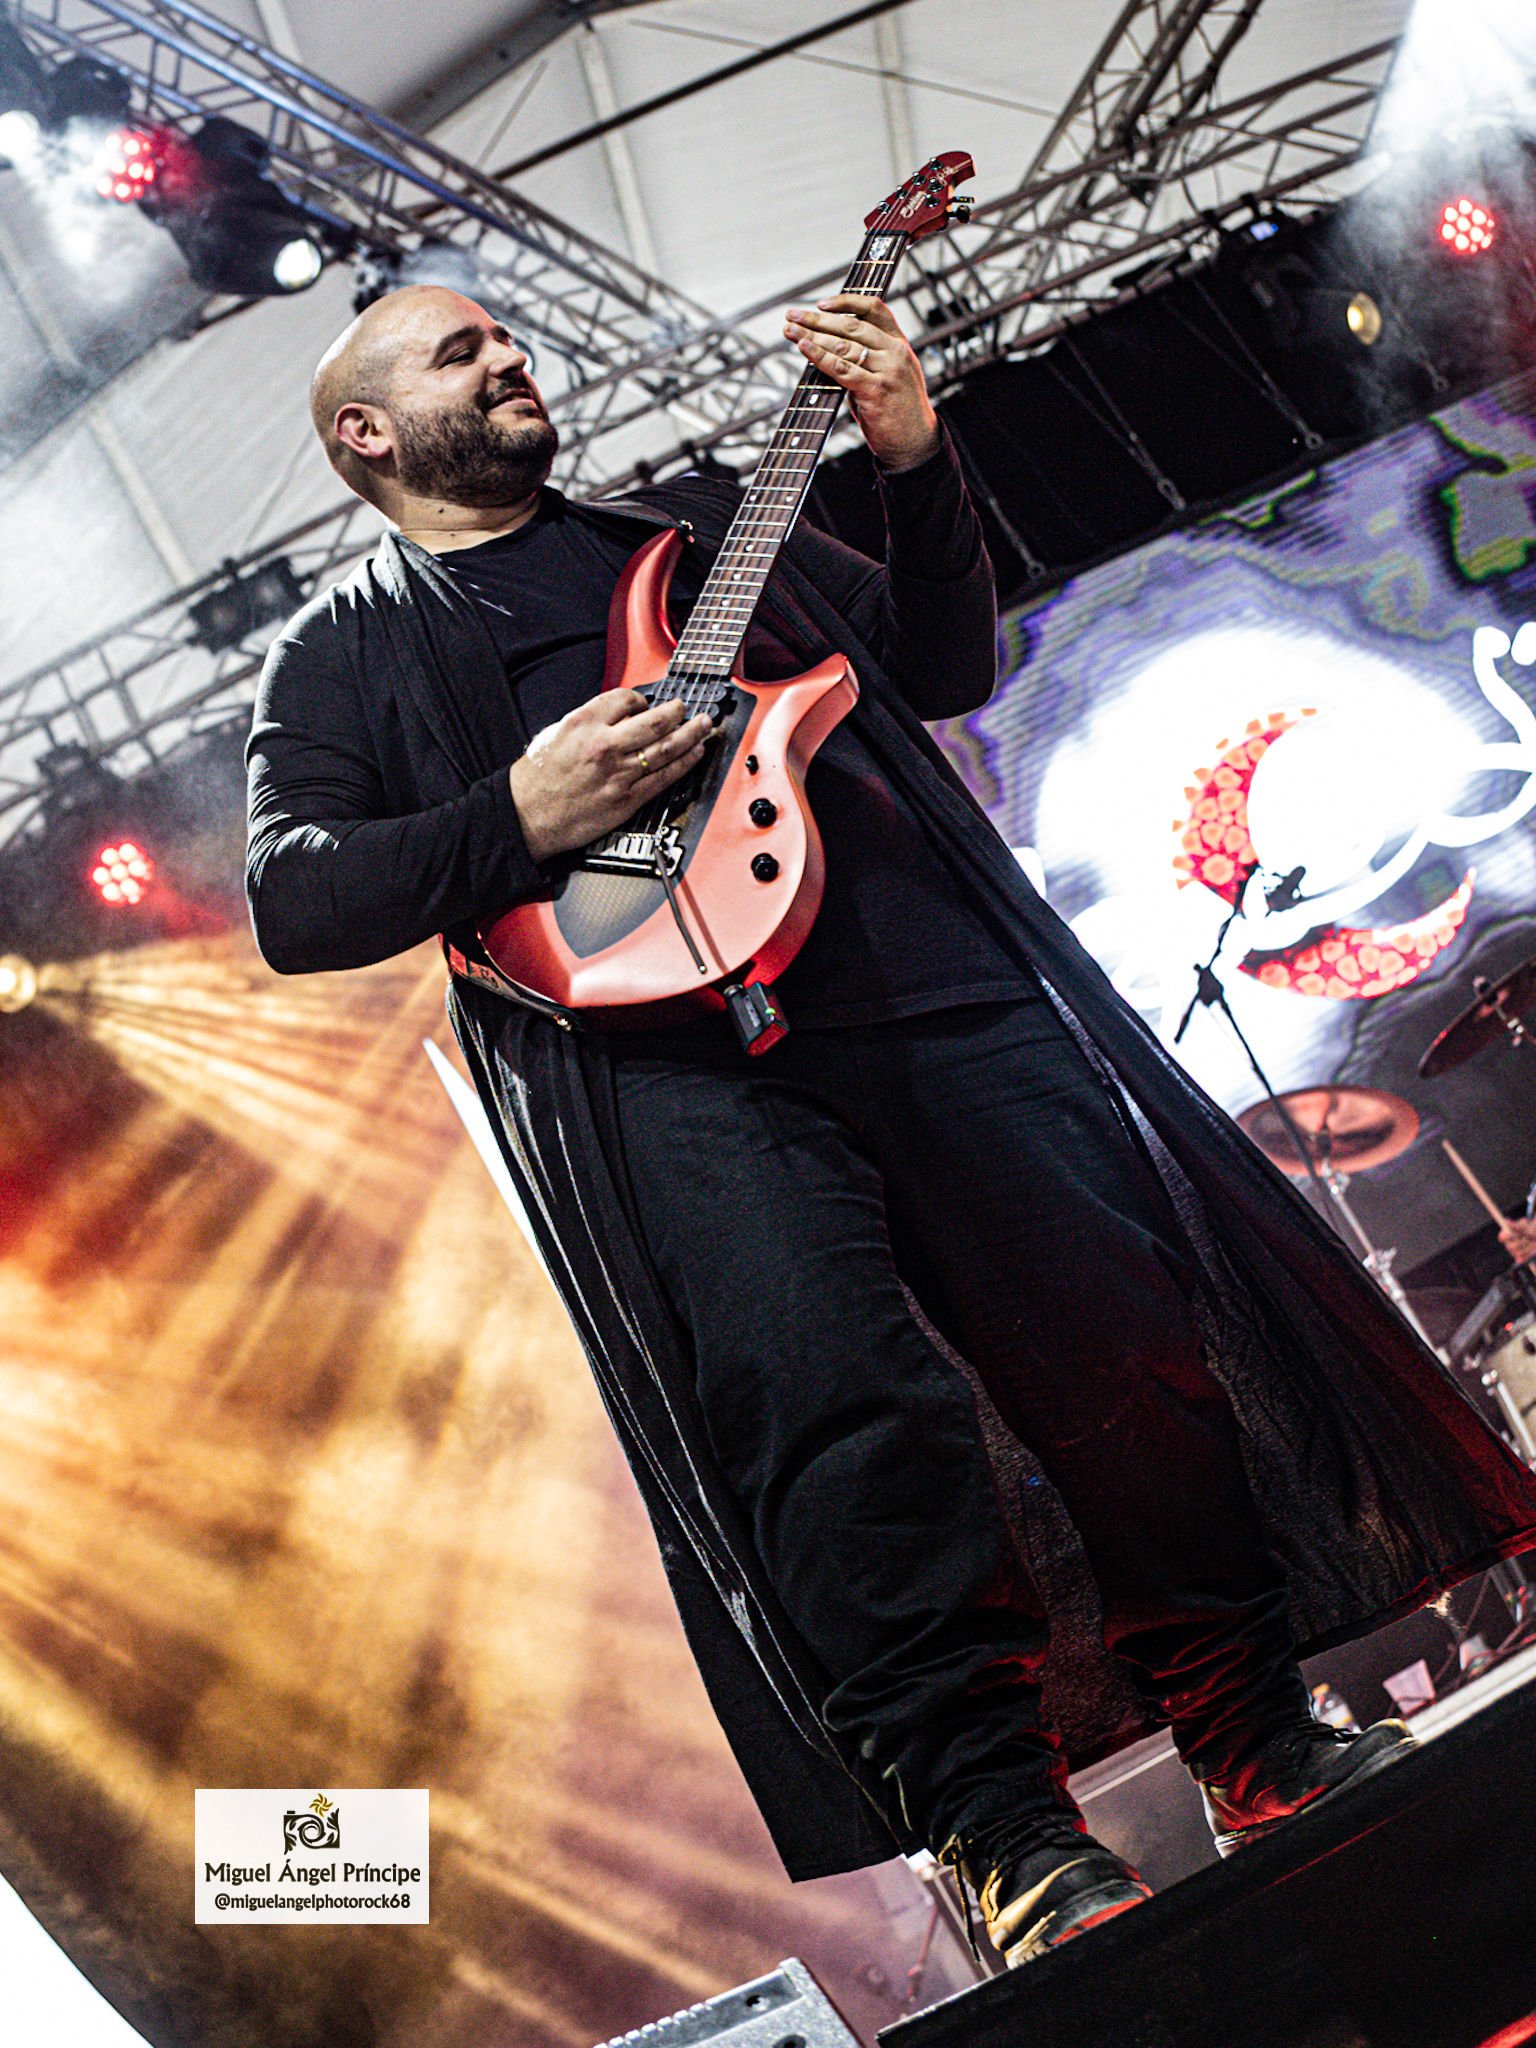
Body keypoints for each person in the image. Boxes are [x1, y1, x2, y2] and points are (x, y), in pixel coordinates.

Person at [247, 283, 1536, 1968]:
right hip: (673, 1079)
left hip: (931, 992)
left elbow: (945, 664)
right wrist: (516, 811)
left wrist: (919, 462)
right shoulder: (343, 651)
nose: (506, 354)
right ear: (365, 435)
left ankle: (1255, 1738)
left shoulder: (693, 529)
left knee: (1133, 1360)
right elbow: (296, 896)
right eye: (455, 352)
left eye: (506, 333)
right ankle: (1014, 1842)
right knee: (847, 1437)